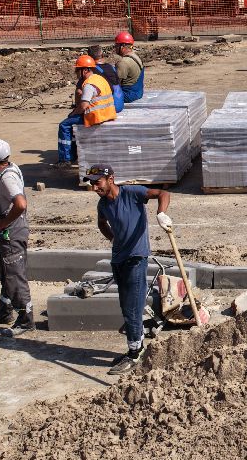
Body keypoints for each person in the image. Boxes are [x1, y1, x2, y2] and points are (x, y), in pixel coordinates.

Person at [86, 165, 171, 375]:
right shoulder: (103, 204)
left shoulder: (132, 193)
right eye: (92, 183)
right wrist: (112, 238)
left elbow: (162, 193)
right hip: (119, 258)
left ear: (111, 179)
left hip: (136, 257)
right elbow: (101, 223)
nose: (94, 186)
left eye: (98, 182)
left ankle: (135, 354)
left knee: (133, 306)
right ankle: (136, 344)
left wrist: (161, 214)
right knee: (126, 305)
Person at [0, 139, 33, 335]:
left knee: (14, 273)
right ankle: (5, 309)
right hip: (10, 231)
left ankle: (26, 319)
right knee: (6, 270)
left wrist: (3, 222)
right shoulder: (7, 169)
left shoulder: (8, 178)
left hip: (12, 231)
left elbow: (20, 204)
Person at [57, 55, 117, 165]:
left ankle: (65, 159)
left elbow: (83, 106)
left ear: (84, 70)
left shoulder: (89, 84)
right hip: (107, 114)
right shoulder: (100, 79)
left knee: (64, 125)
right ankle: (73, 154)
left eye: (77, 70)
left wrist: (73, 113)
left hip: (95, 116)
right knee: (71, 123)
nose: (76, 73)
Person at [112, 31, 145, 104]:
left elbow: (116, 84)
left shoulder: (123, 62)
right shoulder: (136, 56)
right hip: (138, 93)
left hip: (128, 95)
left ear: (122, 46)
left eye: (117, 46)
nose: (115, 48)